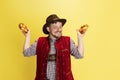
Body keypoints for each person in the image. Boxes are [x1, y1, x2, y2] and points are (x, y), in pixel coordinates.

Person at [22, 14, 85, 80]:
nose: (59, 29)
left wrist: (80, 37)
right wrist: (27, 36)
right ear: (48, 29)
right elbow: (26, 53)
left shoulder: (67, 41)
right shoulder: (40, 42)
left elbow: (79, 55)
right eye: (55, 27)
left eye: (60, 27)